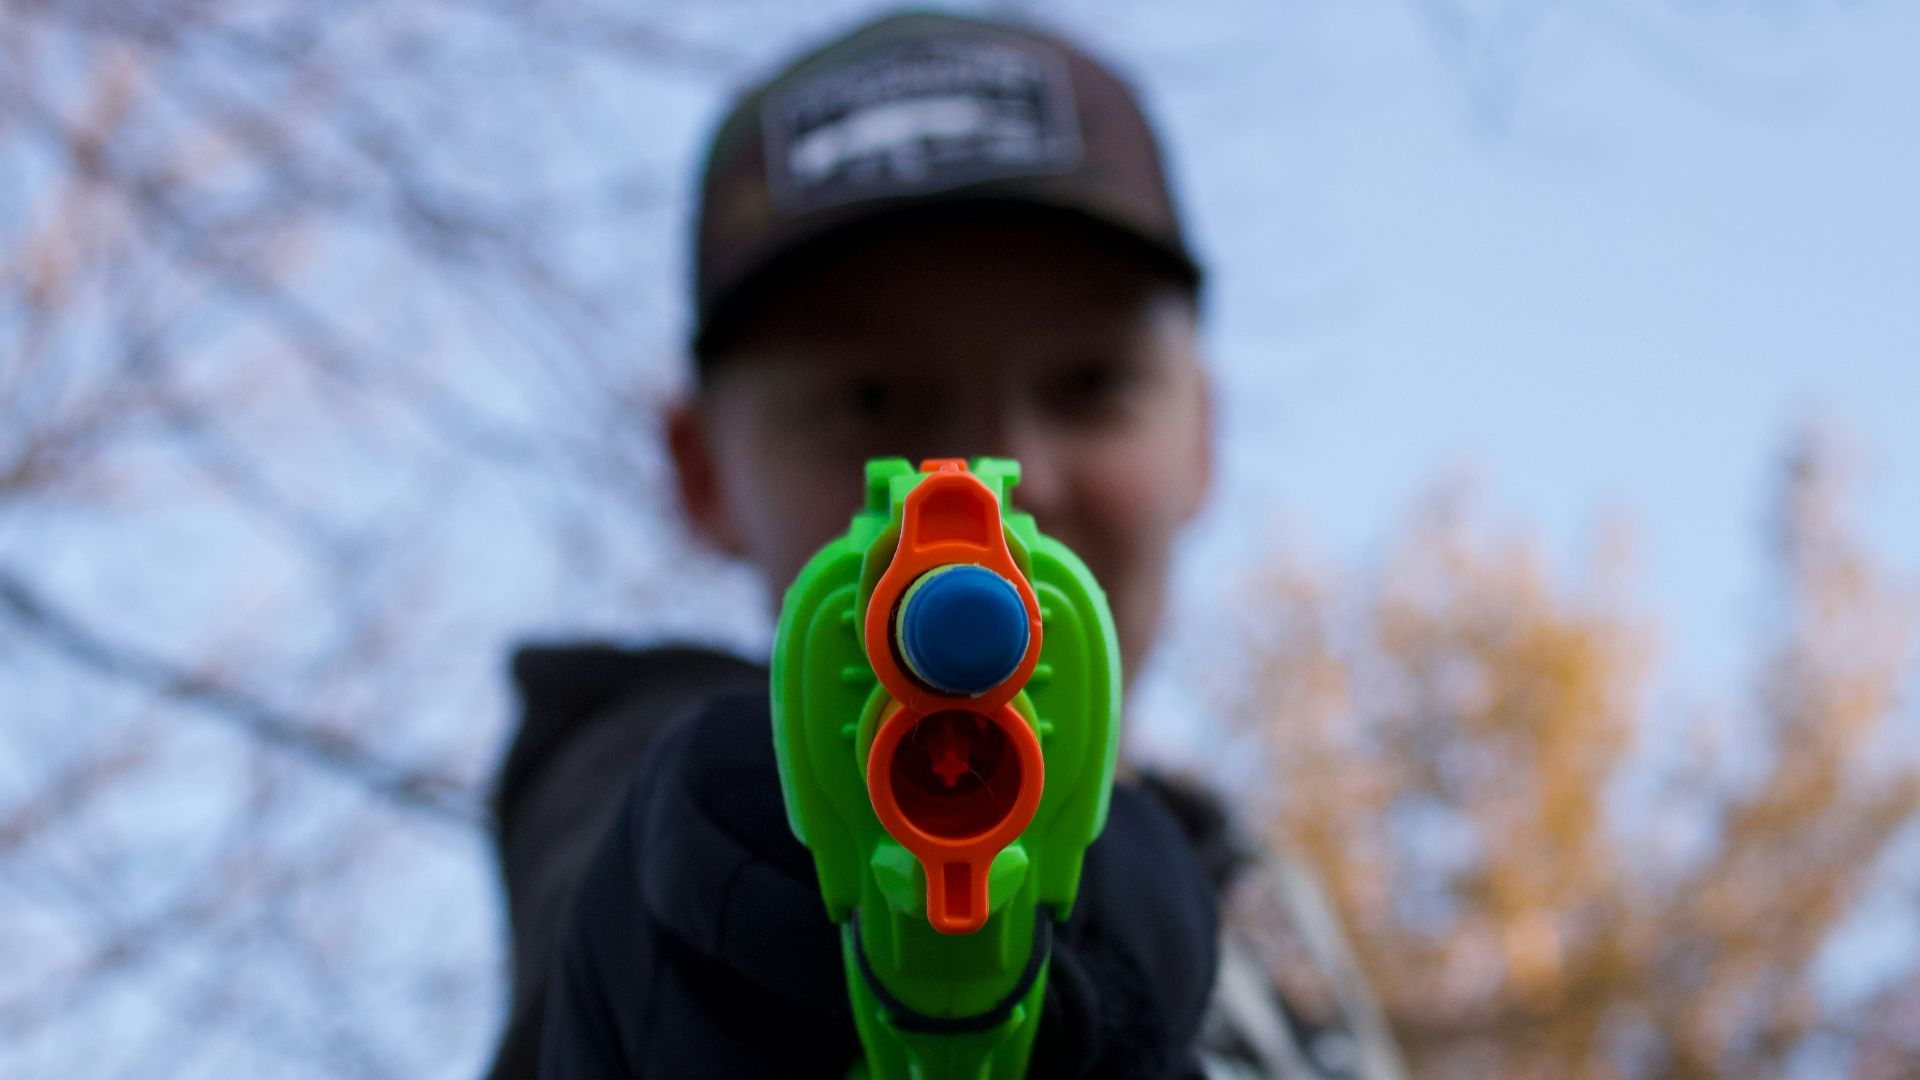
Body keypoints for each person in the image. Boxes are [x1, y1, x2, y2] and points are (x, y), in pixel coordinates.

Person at [484, 10, 1402, 1079]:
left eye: (1089, 385)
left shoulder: (1270, 912)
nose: (991, 478)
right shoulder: (646, 789)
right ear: (700, 471)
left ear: (1203, 431)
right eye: (873, 399)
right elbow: (639, 871)